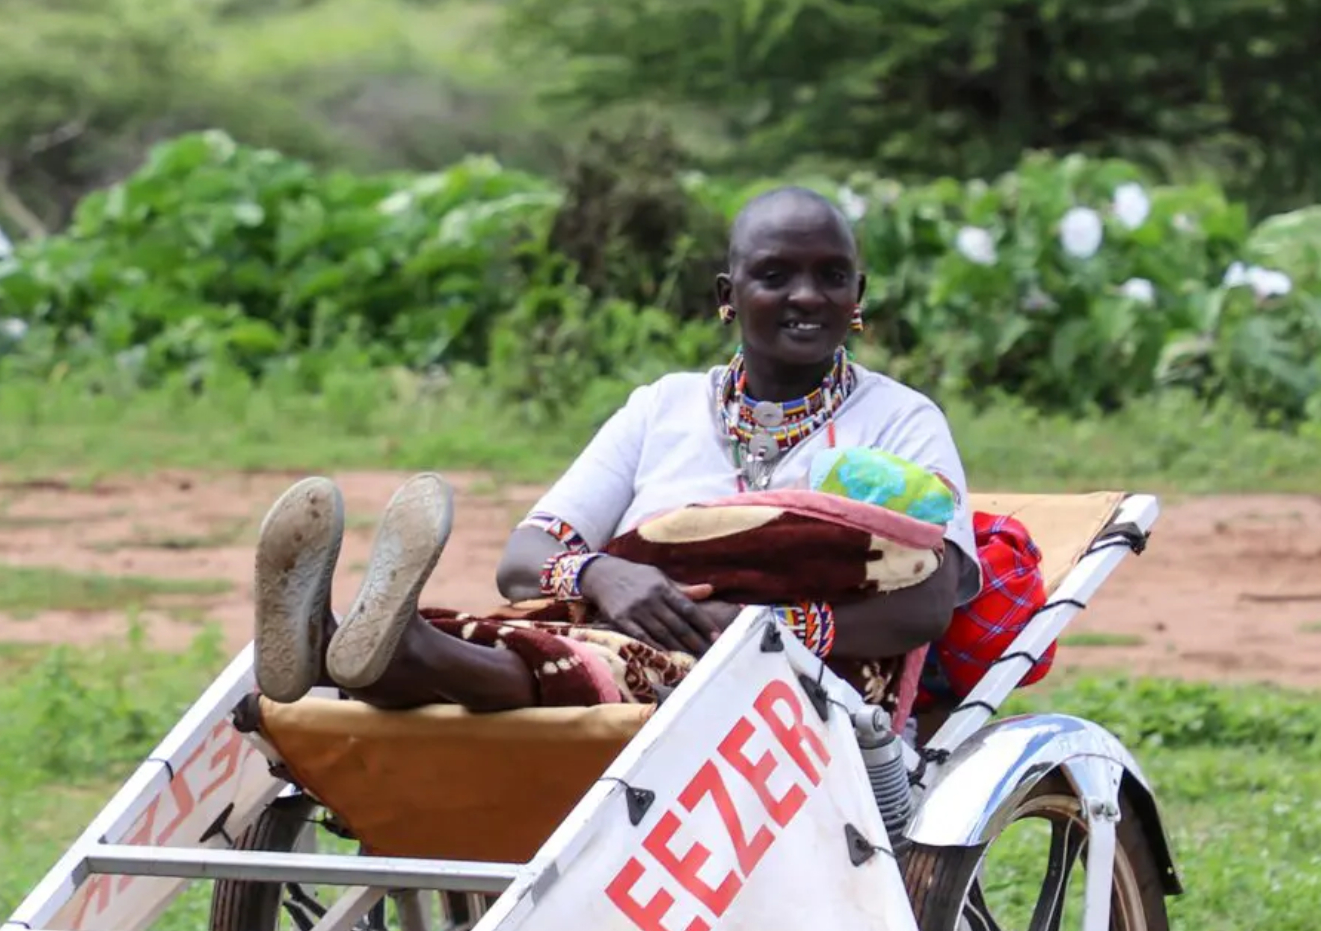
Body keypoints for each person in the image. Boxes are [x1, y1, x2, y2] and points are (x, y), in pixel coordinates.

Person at [253, 186, 977, 713]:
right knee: (528, 637)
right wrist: (604, 575)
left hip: (803, 685)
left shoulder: (900, 419)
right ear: (728, 293)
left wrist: (757, 626)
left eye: (831, 276)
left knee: (601, 666)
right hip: (621, 639)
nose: (807, 296)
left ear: (859, 294)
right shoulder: (661, 407)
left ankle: (383, 648)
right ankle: (360, 647)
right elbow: (522, 559)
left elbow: (926, 602)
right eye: (775, 274)